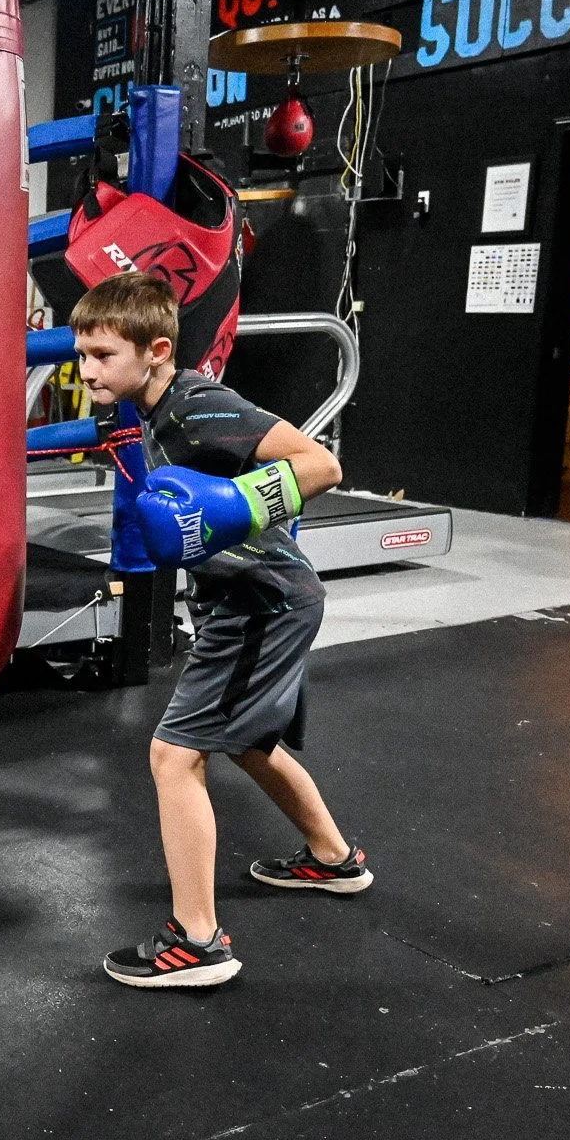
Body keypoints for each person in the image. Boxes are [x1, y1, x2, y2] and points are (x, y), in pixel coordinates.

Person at [70, 273, 370, 989]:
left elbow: (320, 464)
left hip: (262, 602)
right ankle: (332, 858)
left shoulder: (198, 405)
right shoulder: (151, 410)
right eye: (81, 354)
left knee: (174, 756)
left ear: (157, 350)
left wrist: (235, 502)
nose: (86, 371)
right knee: (247, 740)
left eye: (102, 354)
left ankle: (196, 941)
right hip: (256, 597)